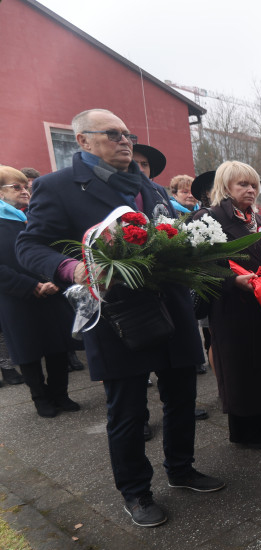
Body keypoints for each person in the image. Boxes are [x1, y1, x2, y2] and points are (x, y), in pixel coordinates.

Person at [16, 108, 223, 527]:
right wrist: (71, 268)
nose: (125, 140)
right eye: (113, 134)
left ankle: (181, 469)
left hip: (173, 307)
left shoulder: (150, 187)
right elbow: (29, 246)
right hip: (118, 313)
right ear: (83, 141)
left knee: (181, 396)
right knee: (128, 410)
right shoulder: (57, 187)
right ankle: (136, 492)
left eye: (127, 133)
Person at [192, 161, 261, 449]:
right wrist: (231, 281)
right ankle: (245, 431)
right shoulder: (207, 219)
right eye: (243, 184)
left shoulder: (259, 221)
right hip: (234, 309)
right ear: (225, 187)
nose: (251, 190)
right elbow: (198, 267)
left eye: (254, 184)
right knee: (244, 369)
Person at [0, 166, 76, 416]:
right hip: (17, 297)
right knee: (28, 350)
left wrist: (56, 278)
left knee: (58, 346)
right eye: (16, 187)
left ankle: (60, 394)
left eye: (26, 186)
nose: (24, 191)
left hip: (52, 291)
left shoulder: (33, 217)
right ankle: (40, 399)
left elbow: (56, 248)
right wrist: (30, 286)